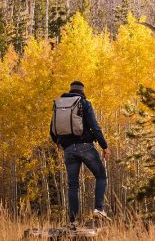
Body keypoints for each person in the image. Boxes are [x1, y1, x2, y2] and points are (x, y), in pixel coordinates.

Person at [50, 81, 110, 223]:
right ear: (82, 91)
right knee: (101, 176)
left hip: (69, 149)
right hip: (85, 146)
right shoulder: (84, 103)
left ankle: (73, 220)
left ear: (70, 90)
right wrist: (104, 146)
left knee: (73, 185)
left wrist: (59, 142)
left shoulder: (59, 104)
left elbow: (52, 130)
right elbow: (95, 127)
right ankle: (99, 209)